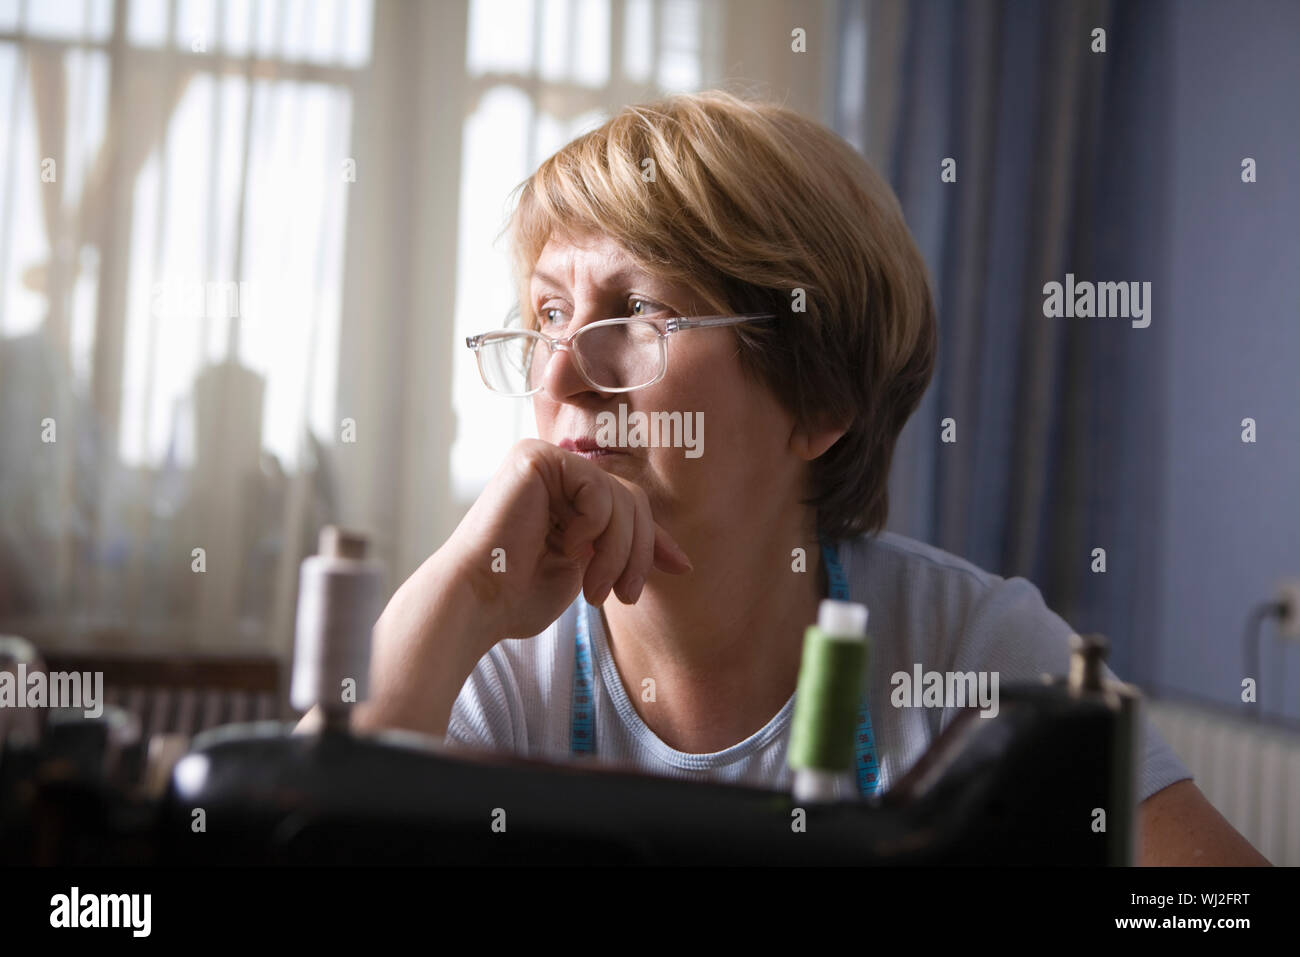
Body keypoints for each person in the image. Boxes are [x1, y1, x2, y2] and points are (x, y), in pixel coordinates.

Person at [300, 90, 1267, 865]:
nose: (557, 377)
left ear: (818, 401)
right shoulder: (499, 670)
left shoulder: (972, 648)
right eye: (550, 316)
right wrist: (463, 595)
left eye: (636, 314)